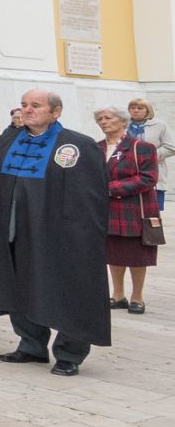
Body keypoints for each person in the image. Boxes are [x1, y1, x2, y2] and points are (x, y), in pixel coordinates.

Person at [0, 89, 110, 376]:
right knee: (20, 286)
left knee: (69, 289)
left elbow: (91, 197)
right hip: (13, 231)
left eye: (36, 105)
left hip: (60, 237)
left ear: (56, 112)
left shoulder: (78, 145)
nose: (27, 110)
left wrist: (83, 236)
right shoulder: (7, 143)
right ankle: (31, 344)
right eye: (24, 105)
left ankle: (69, 353)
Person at [94, 106, 157, 315]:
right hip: (106, 208)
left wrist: (110, 189)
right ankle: (118, 294)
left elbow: (148, 178)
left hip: (133, 208)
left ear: (123, 122)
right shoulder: (96, 148)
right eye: (100, 119)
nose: (104, 122)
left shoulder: (142, 147)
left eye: (108, 118)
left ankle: (137, 296)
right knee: (113, 252)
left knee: (136, 255)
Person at [126, 98, 174, 211]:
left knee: (152, 211)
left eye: (140, 108)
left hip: (151, 170)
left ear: (148, 110)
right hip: (128, 171)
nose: (135, 111)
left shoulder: (160, 125)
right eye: (132, 108)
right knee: (131, 209)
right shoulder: (123, 124)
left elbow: (171, 147)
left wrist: (150, 156)